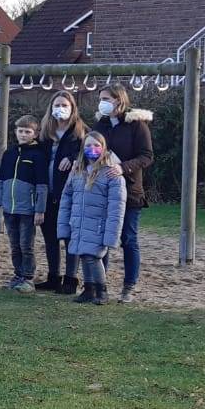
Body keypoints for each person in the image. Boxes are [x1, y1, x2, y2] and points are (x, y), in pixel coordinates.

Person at [92, 83, 153, 303]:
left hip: (130, 189)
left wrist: (124, 167)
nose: (103, 102)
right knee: (103, 238)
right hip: (104, 188)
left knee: (128, 238)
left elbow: (147, 156)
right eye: (101, 98)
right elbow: (92, 148)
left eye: (107, 98)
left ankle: (129, 285)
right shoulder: (101, 124)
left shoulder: (137, 125)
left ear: (119, 100)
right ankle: (101, 283)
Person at [58, 131, 127, 306]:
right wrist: (65, 225)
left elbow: (116, 206)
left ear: (104, 148)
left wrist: (112, 234)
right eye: (88, 145)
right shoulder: (77, 171)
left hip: (98, 224)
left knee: (93, 257)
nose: (92, 149)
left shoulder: (111, 173)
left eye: (96, 145)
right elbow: (67, 197)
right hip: (79, 222)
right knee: (83, 255)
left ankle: (101, 290)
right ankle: (88, 289)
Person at [38, 91, 87, 294]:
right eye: (57, 105)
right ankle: (53, 277)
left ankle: (70, 279)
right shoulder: (45, 134)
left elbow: (92, 151)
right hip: (47, 193)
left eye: (64, 105)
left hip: (69, 195)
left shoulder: (80, 133)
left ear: (72, 108)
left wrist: (74, 156)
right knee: (50, 238)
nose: (60, 109)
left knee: (69, 238)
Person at [0, 116, 49, 293]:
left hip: (28, 209)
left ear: (35, 134)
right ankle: (17, 274)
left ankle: (28, 277)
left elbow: (42, 185)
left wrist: (40, 209)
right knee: (14, 245)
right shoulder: (9, 153)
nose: (24, 134)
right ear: (15, 131)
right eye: (21, 131)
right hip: (9, 208)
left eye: (28, 131)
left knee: (26, 245)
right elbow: (1, 180)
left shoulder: (38, 155)